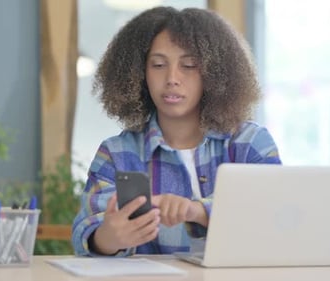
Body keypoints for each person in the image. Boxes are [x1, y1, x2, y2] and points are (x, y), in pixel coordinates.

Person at [72, 6, 282, 256]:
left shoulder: (250, 144)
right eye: (158, 65)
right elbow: (85, 232)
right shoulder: (116, 153)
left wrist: (197, 211)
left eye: (189, 65)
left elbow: (274, 217)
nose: (172, 78)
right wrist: (107, 238)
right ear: (139, 74)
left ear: (214, 74)